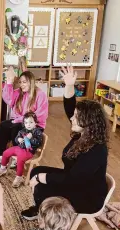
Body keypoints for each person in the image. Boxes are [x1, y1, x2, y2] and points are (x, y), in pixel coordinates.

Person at [21, 65, 109, 220]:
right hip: (75, 181)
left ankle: (50, 224)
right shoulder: (82, 134)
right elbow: (70, 108)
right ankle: (40, 209)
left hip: (87, 196)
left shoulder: (97, 149)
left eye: (76, 116)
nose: (71, 118)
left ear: (88, 121)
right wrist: (69, 85)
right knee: (36, 170)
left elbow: (72, 180)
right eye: (74, 115)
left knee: (41, 186)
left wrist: (43, 178)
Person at [0, 67, 48, 168]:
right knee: (2, 126)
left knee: (16, 128)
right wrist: (9, 82)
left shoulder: (40, 94)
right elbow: (8, 100)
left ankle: (16, 157)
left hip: (34, 125)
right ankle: (1, 156)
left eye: (24, 82)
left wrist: (20, 119)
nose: (21, 84)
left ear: (31, 82)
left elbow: (40, 115)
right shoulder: (19, 92)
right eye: (20, 82)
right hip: (19, 121)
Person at [0, 111, 43, 188]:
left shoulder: (37, 132)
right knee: (5, 153)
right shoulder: (23, 130)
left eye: (31, 122)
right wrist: (19, 139)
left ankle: (19, 177)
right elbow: (16, 139)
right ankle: (3, 168)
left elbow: (38, 143)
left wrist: (30, 139)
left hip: (29, 151)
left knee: (20, 159)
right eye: (26, 122)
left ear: (35, 123)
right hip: (19, 148)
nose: (28, 124)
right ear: (24, 123)